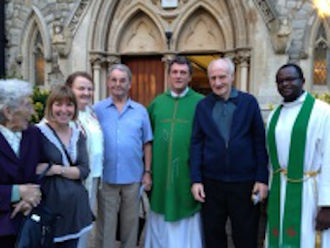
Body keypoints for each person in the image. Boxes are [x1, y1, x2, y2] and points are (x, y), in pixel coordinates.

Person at [190, 58, 269, 248]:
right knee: (213, 235)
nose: (217, 83)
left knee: (246, 235)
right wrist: (196, 180)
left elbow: (259, 142)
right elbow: (196, 144)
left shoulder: (248, 103)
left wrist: (262, 179)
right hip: (211, 183)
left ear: (232, 77)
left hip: (244, 183)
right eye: (213, 78)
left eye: (222, 77)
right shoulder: (202, 106)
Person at [266, 64, 330, 248]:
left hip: (311, 193)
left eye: (290, 79)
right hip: (280, 192)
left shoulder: (323, 112)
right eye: (280, 81)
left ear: (302, 81)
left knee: (307, 239)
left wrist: (327, 205)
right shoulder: (274, 116)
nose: (285, 84)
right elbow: (272, 162)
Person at [144, 56, 204, 248]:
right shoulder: (157, 104)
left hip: (187, 173)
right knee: (160, 213)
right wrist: (147, 171)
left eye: (183, 73)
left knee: (186, 211)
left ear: (190, 77)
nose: (178, 76)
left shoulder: (201, 103)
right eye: (175, 72)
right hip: (161, 174)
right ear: (169, 75)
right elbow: (146, 140)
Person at [93, 64, 153, 248]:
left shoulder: (140, 111)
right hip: (106, 176)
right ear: (108, 82)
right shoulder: (97, 110)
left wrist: (147, 172)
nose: (117, 84)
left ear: (129, 84)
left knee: (131, 222)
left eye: (122, 80)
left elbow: (147, 143)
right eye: (114, 80)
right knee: (106, 223)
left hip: (133, 176)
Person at [37, 85, 93, 248]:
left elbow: (84, 170)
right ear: (50, 106)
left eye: (69, 104)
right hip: (49, 209)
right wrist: (70, 171)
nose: (64, 110)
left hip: (74, 211)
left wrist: (55, 169)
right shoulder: (38, 133)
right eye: (58, 104)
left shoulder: (78, 134)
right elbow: (34, 169)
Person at [0, 79, 44, 248]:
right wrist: (17, 192)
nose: (32, 112)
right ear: (8, 111)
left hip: (29, 223)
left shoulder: (33, 134)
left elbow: (44, 168)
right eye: (26, 106)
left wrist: (30, 198)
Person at [66, 72, 104, 248]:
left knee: (85, 225)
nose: (86, 93)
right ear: (69, 89)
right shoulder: (65, 115)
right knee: (73, 225)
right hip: (75, 180)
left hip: (94, 176)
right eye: (81, 88)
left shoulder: (90, 112)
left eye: (90, 89)